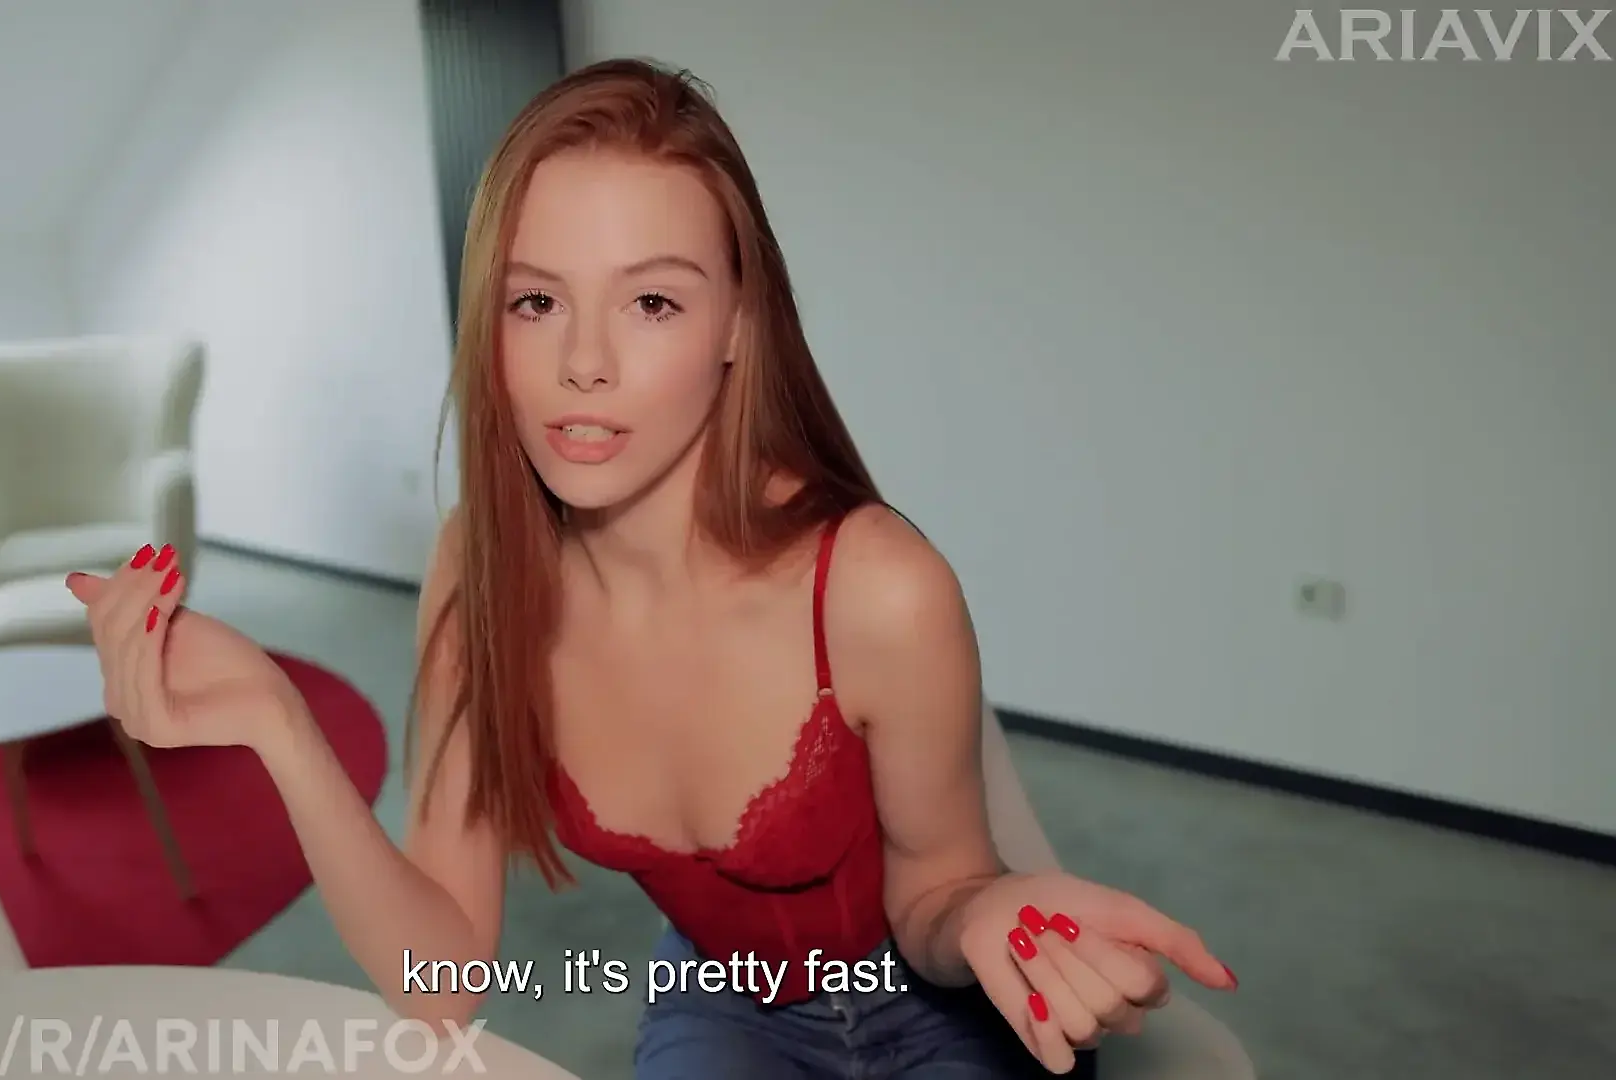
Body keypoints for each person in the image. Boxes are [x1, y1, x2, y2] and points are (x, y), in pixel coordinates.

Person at [67, 58, 1237, 1079]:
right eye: (537, 301)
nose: (584, 361)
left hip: (942, 1016)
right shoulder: (478, 571)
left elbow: (937, 894)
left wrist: (994, 912)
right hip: (724, 1006)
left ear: (738, 324)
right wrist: (279, 728)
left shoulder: (876, 587)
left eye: (653, 301)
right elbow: (439, 983)